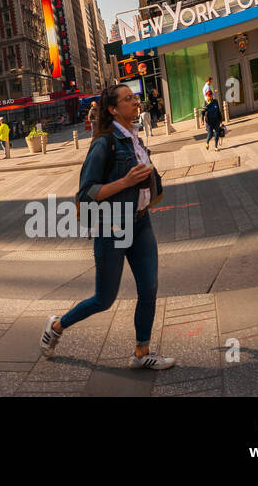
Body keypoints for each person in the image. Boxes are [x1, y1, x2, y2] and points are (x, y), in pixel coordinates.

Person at [39, 84, 174, 370]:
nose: (135, 101)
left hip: (140, 223)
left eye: (134, 97)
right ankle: (57, 327)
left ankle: (142, 352)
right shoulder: (104, 143)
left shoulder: (135, 138)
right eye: (128, 99)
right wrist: (125, 182)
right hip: (113, 227)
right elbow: (87, 191)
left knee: (149, 288)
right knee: (104, 299)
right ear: (113, 109)